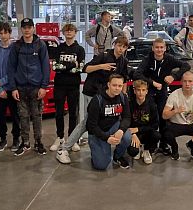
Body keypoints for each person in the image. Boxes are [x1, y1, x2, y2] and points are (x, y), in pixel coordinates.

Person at [56, 36, 130, 164]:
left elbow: (124, 79)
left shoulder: (123, 61)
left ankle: (103, 145)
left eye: (123, 47)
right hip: (92, 92)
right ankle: (64, 149)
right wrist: (101, 66)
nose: (120, 49)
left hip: (108, 95)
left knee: (109, 119)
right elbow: (85, 68)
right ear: (114, 45)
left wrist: (123, 95)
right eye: (119, 45)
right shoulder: (103, 55)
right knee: (87, 122)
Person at [133, 37, 190, 155]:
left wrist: (174, 76)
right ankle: (150, 144)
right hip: (148, 92)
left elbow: (186, 65)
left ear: (165, 48)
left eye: (161, 47)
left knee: (163, 119)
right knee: (148, 118)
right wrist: (152, 83)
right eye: (157, 47)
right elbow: (137, 73)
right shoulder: (147, 59)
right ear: (153, 48)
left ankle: (164, 144)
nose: (159, 50)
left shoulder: (169, 59)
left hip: (162, 93)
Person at [7, 18, 50, 157]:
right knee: (23, 116)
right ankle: (25, 142)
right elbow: (11, 68)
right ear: (21, 29)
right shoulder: (16, 46)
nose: (27, 30)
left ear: (33, 29)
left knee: (37, 116)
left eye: (29, 27)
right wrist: (13, 88)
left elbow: (45, 66)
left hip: (36, 88)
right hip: (20, 88)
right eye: (24, 27)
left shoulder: (40, 45)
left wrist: (43, 86)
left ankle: (38, 142)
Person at [162, 71, 193, 161]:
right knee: (165, 134)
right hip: (176, 124)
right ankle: (174, 148)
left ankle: (192, 145)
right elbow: (164, 115)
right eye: (185, 81)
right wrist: (175, 111)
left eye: (190, 81)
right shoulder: (174, 95)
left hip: (192, 123)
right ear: (181, 82)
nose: (187, 84)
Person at [50, 23, 85, 152]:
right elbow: (55, 67)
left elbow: (80, 68)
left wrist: (64, 67)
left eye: (71, 30)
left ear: (75, 33)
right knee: (59, 113)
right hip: (59, 85)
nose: (69, 32)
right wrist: (72, 65)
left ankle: (72, 139)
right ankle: (59, 137)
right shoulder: (58, 48)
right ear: (63, 33)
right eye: (66, 30)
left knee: (73, 113)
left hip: (73, 85)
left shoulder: (80, 49)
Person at [86, 74, 132, 170]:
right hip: (98, 131)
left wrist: (121, 130)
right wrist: (106, 138)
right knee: (101, 165)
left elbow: (127, 117)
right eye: (114, 85)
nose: (117, 88)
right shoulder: (97, 100)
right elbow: (91, 126)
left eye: (120, 86)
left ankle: (118, 156)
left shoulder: (123, 97)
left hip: (113, 126)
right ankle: (96, 152)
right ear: (108, 84)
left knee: (127, 137)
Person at [0, 22, 20, 153]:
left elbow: (15, 69)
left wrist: (0, 82)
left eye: (5, 32)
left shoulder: (15, 49)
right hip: (0, 90)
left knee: (15, 116)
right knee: (0, 117)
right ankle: (2, 139)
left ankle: (16, 138)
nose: (3, 35)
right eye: (0, 33)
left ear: (10, 33)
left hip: (13, 88)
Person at [128, 79, 160, 165]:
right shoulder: (129, 104)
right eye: (138, 90)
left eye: (143, 90)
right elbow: (126, 121)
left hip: (146, 132)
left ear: (146, 91)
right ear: (134, 91)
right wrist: (133, 134)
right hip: (133, 133)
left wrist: (138, 129)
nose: (141, 93)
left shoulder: (152, 105)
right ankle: (138, 148)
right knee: (132, 152)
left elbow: (155, 125)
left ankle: (146, 150)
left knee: (156, 135)